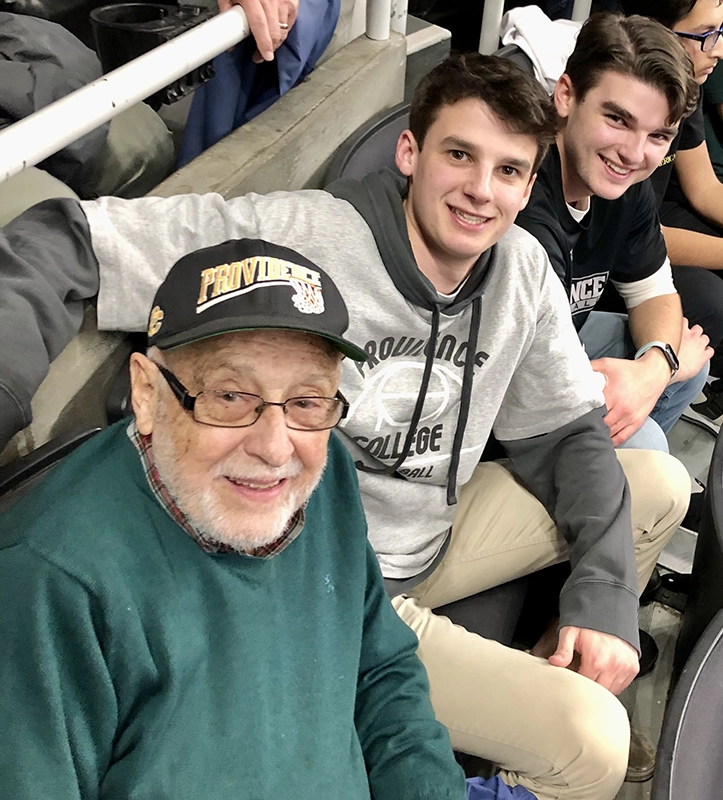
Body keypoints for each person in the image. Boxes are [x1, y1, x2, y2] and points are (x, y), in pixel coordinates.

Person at [0, 54, 691, 800]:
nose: (478, 191)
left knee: (656, 481)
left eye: (508, 171)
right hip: (347, 570)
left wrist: (603, 596)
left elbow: (567, 435)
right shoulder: (305, 238)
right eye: (458, 154)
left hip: (440, 529)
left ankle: (543, 673)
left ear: (529, 186)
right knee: (593, 740)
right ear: (410, 153)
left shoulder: (520, 266)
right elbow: (73, 235)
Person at [0, 237, 468, 800]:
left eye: (307, 401)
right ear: (147, 393)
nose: (275, 448)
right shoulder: (51, 578)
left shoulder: (324, 476)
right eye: (229, 396)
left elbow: (379, 670)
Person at [515, 12, 713, 454]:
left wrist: (656, 366)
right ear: (565, 95)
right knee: (648, 447)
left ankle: (608, 478)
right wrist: (654, 374)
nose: (634, 154)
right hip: (514, 384)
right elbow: (533, 377)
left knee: (681, 356)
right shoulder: (523, 199)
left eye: (658, 136)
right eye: (618, 120)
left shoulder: (626, 185)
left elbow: (655, 292)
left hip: (562, 339)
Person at [619, 0, 723, 418]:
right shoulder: (632, 94)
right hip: (631, 248)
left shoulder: (686, 88)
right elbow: (633, 236)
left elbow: (703, 188)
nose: (718, 50)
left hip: (649, 229)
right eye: (707, 34)